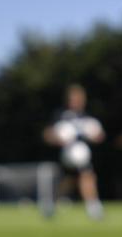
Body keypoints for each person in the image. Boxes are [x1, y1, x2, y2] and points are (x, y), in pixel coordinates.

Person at [43, 84, 106, 220]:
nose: (75, 101)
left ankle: (93, 209)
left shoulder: (87, 117)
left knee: (86, 176)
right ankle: (52, 206)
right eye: (73, 98)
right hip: (66, 155)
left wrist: (97, 136)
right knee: (68, 183)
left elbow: (99, 135)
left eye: (78, 98)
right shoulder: (60, 115)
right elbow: (48, 134)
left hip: (82, 155)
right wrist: (56, 139)